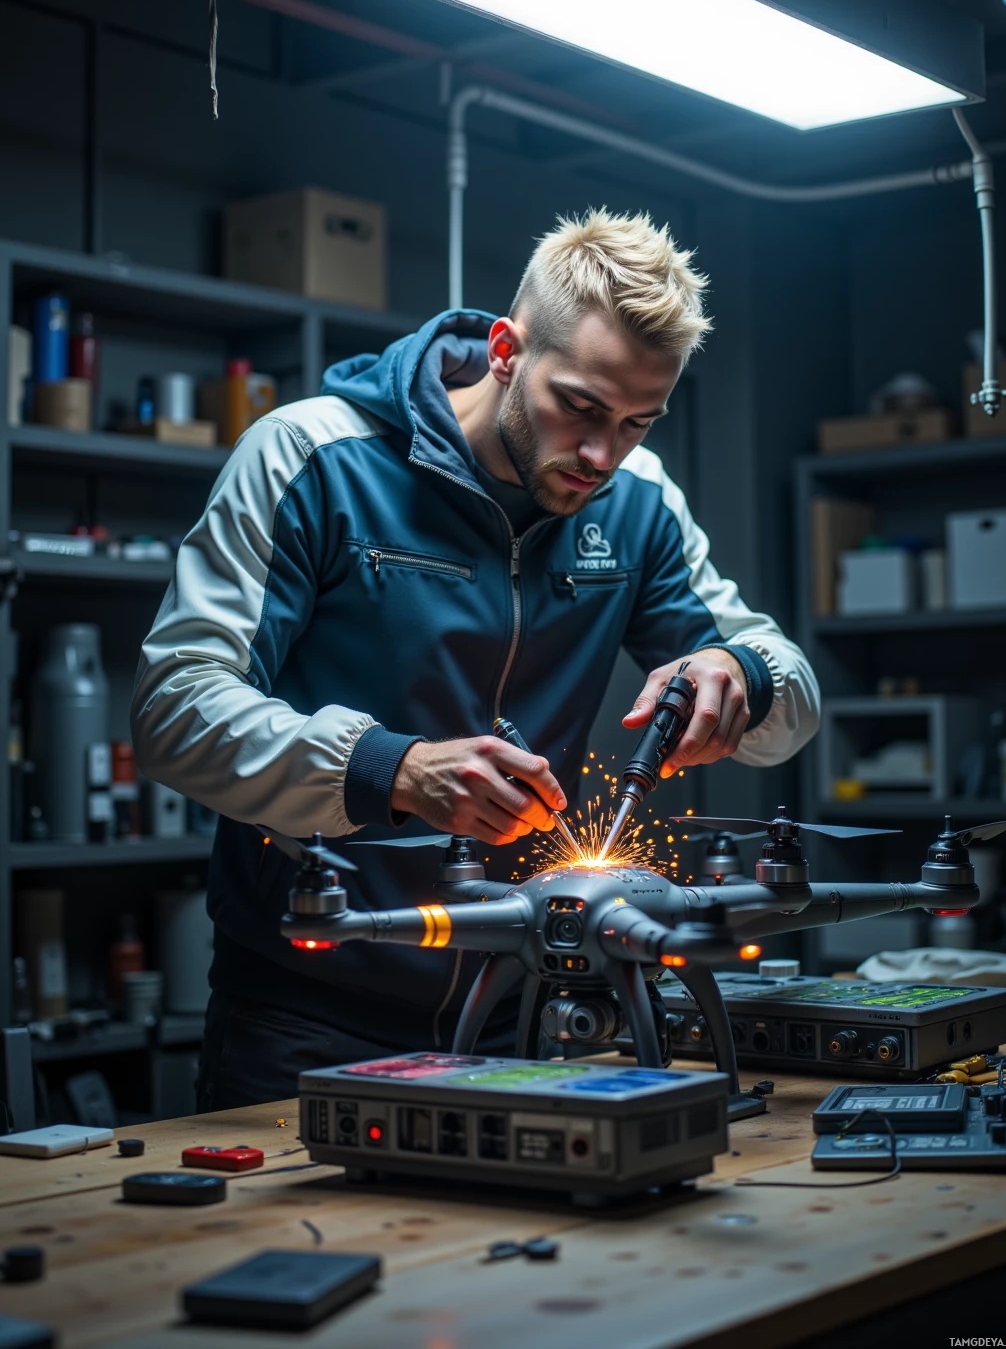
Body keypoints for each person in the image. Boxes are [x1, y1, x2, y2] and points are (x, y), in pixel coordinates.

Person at [132, 208, 819, 1110]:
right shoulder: (313, 457)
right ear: (505, 348)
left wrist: (744, 673)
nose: (600, 455)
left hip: (535, 1012)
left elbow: (787, 692)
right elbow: (175, 709)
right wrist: (395, 768)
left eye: (636, 422)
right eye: (578, 407)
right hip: (309, 1013)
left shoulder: (637, 501)